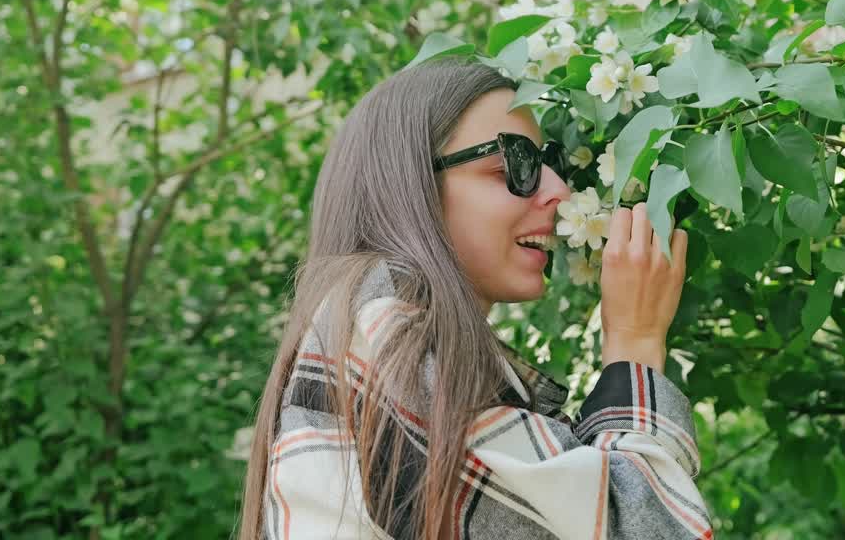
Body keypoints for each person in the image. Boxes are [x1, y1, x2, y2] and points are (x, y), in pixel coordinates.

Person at [236, 58, 711, 540]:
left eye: (552, 164)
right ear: (412, 185)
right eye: (514, 165)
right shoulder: (381, 331)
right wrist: (634, 342)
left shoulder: (372, 334)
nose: (560, 190)